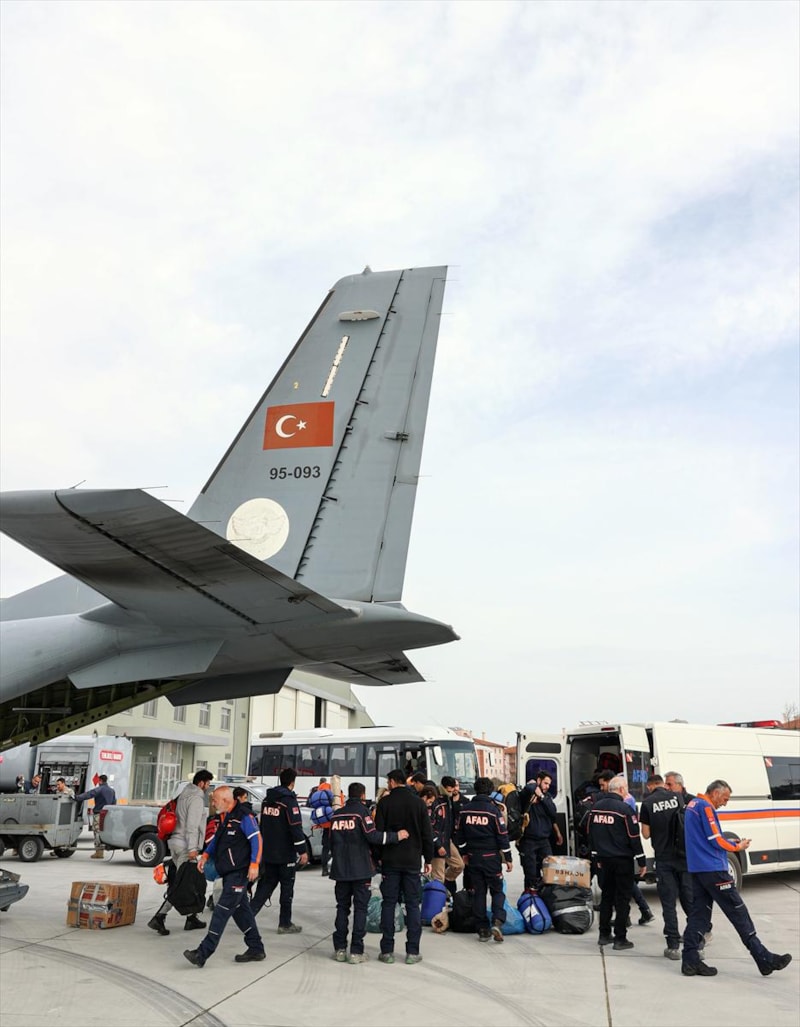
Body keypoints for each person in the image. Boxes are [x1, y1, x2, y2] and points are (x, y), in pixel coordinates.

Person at [681, 779, 792, 978]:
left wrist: (729, 841)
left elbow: (705, 838)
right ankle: (763, 958)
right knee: (738, 912)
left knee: (699, 915)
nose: (725, 803)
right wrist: (737, 847)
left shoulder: (692, 805)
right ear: (715, 793)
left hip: (698, 869)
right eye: (725, 799)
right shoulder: (706, 807)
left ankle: (690, 961)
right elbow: (715, 839)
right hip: (714, 869)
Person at [328, 782, 408, 964]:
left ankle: (340, 949)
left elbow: (330, 842)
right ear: (363, 795)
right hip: (360, 870)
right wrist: (396, 836)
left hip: (340, 870)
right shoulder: (362, 813)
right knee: (360, 909)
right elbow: (373, 836)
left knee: (342, 908)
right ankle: (356, 951)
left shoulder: (337, 815)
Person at [183, 786, 264, 968]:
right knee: (242, 913)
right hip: (229, 873)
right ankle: (256, 948)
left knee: (221, 912)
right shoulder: (228, 816)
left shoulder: (244, 816)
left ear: (226, 800)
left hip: (239, 873)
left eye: (214, 800)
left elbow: (257, 839)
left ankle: (202, 953)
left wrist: (254, 864)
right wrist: (205, 855)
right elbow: (217, 840)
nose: (212, 804)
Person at [373, 768, 434, 965]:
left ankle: (387, 950)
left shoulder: (384, 803)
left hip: (390, 861)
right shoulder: (418, 803)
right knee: (413, 904)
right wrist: (428, 859)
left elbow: (378, 833)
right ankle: (412, 951)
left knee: (389, 903)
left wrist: (378, 857)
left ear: (392, 781)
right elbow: (427, 834)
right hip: (412, 862)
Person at [148, 770, 214, 935]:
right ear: (201, 783)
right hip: (185, 846)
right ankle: (159, 917)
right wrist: (192, 848)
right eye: (208, 783)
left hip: (175, 843)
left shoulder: (183, 794)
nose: (208, 787)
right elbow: (192, 825)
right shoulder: (196, 798)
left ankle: (191, 918)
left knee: (186, 883)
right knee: (182, 885)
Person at [588, 776, 646, 951]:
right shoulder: (625, 809)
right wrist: (642, 861)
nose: (627, 791)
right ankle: (620, 938)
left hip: (603, 860)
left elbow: (591, 834)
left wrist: (595, 857)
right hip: (622, 861)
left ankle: (604, 934)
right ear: (621, 789)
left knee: (606, 896)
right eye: (626, 788)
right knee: (622, 899)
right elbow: (634, 837)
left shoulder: (595, 808)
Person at [454, 776, 513, 943]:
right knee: (497, 890)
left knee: (478, 893)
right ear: (490, 791)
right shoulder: (493, 811)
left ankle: (482, 929)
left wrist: (464, 853)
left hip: (473, 858)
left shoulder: (465, 810)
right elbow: (502, 836)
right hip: (491, 858)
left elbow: (459, 836)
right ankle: (497, 921)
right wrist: (508, 858)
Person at [641, 773, 693, 959]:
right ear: (663, 784)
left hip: (663, 859)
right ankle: (696, 942)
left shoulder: (647, 803)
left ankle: (673, 946)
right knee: (689, 899)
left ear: (650, 786)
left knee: (668, 904)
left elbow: (646, 834)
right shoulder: (678, 797)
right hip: (683, 856)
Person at [250, 767, 308, 932]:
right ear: (292, 783)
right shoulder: (289, 801)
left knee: (265, 886)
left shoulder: (267, 800)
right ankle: (285, 923)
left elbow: (263, 825)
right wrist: (302, 851)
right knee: (287, 890)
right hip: (285, 854)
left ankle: (247, 917)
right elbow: (295, 828)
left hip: (268, 852)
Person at [616, 776, 655, 926]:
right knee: (627, 882)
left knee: (625, 882)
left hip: (624, 847)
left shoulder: (627, 800)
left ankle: (631, 915)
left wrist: (641, 858)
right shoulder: (629, 799)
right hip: (626, 847)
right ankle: (643, 911)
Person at [518, 771, 563, 889]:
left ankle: (545, 894)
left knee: (550, 870)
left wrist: (542, 797)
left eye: (549, 784)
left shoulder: (546, 797)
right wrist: (535, 787)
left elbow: (553, 813)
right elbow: (528, 788)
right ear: (539, 781)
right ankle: (530, 895)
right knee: (531, 873)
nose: (547, 786)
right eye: (545, 783)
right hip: (529, 841)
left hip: (544, 841)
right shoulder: (529, 794)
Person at [75, 774, 116, 859]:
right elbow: (114, 802)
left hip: (99, 814)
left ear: (100, 781)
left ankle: (99, 852)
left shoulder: (100, 789)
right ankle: (102, 849)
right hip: (108, 814)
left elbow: (89, 794)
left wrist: (77, 797)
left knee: (97, 832)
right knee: (103, 832)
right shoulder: (112, 791)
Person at [308, 778, 334, 877]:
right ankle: (335, 869)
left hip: (324, 826)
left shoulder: (317, 792)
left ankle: (324, 869)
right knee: (335, 849)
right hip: (332, 826)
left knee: (325, 849)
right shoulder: (331, 792)